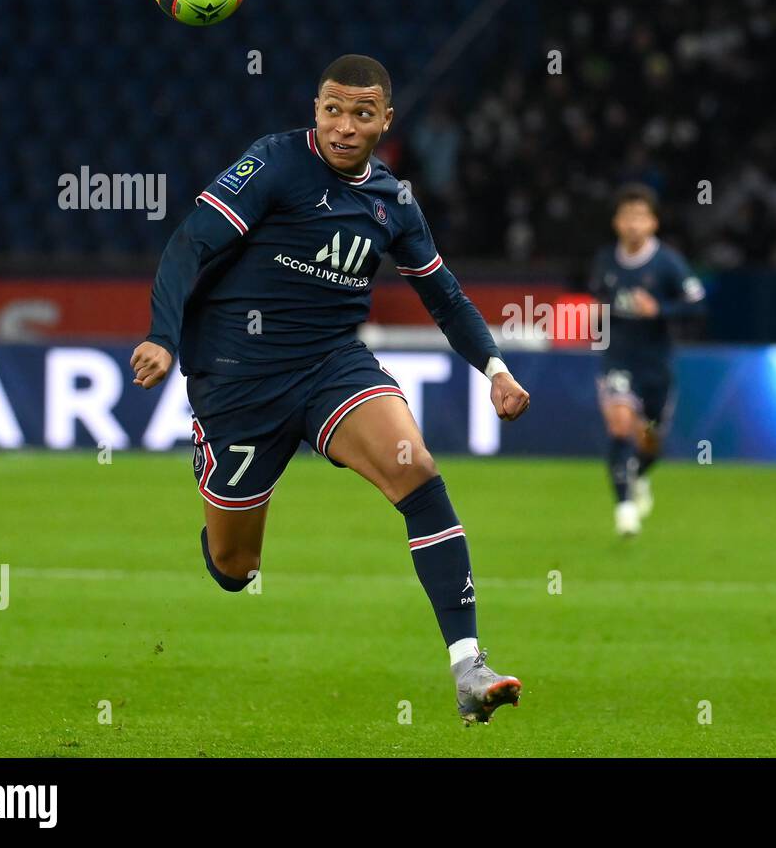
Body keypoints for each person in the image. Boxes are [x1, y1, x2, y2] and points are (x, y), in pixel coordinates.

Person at [129, 54, 530, 724]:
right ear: (316, 109)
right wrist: (162, 337)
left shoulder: (394, 202)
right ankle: (214, 478)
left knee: (417, 469)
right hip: (237, 379)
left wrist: (495, 370)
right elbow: (189, 244)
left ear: (386, 121)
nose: (345, 126)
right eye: (333, 110)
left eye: (362, 114)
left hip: (330, 368)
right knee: (235, 566)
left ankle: (467, 664)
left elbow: (445, 295)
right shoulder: (275, 164)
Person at [589, 184, 706, 536]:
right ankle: (624, 509)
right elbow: (600, 304)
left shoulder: (668, 263)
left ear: (653, 223)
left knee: (651, 443)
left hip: (656, 365)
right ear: (616, 222)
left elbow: (698, 305)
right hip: (618, 359)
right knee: (621, 424)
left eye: (640, 217)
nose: (633, 224)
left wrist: (660, 310)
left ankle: (637, 475)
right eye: (627, 217)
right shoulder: (605, 261)